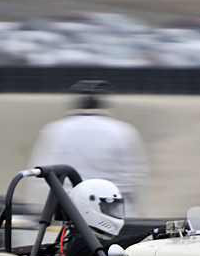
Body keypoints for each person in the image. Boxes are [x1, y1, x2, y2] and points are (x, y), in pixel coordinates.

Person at [26, 80, 148, 216]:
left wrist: (43, 211)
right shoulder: (124, 131)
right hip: (113, 208)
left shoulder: (54, 130)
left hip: (69, 208)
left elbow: (40, 174)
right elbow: (136, 177)